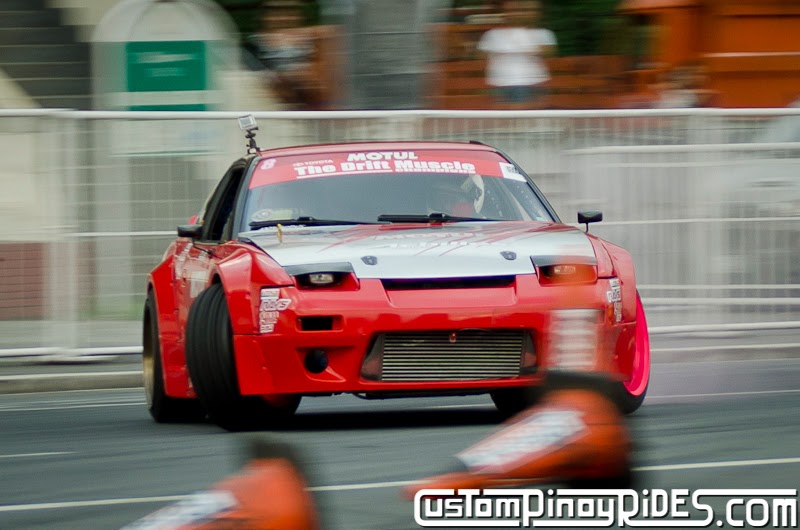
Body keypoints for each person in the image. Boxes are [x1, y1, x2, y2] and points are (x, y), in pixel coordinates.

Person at [477, 0, 557, 106]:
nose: (519, 14)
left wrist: (509, 48)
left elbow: (549, 51)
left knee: (522, 109)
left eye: (527, 10)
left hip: (532, 83)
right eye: (514, 10)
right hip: (499, 84)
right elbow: (481, 56)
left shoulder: (543, 34)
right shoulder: (493, 34)